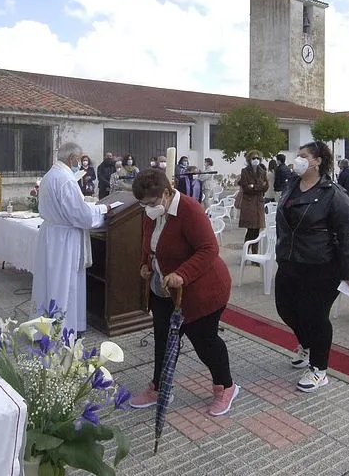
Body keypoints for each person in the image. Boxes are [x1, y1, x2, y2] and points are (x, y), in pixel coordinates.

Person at [127, 169, 238, 416]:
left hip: (202, 290)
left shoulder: (190, 209)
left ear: (167, 193)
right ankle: (160, 387)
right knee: (164, 341)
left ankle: (226, 386)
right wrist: (145, 265)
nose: (148, 208)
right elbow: (149, 243)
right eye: (144, 204)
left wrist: (182, 274)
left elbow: (209, 249)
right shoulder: (152, 212)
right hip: (165, 289)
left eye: (152, 203)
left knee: (205, 342)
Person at [274, 141, 349, 392]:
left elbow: (348, 234)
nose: (298, 159)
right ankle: (307, 344)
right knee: (285, 308)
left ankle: (319, 369)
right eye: (297, 155)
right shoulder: (292, 185)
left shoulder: (333, 193)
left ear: (318, 161)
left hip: (320, 265)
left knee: (315, 317)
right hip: (289, 260)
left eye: (303, 156)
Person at [32, 142, 111, 333]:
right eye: (80, 159)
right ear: (72, 158)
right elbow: (81, 216)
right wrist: (103, 209)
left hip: (52, 234)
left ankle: (45, 326)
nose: (81, 163)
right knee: (64, 283)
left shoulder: (51, 175)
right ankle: (62, 329)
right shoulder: (66, 179)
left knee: (49, 281)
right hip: (65, 240)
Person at [237, 150, 268, 252]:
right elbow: (245, 187)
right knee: (250, 230)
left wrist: (253, 186)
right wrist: (258, 187)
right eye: (253, 158)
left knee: (257, 230)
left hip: (259, 203)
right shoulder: (245, 171)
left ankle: (254, 253)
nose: (256, 160)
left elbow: (266, 186)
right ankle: (246, 252)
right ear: (249, 160)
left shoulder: (262, 171)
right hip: (249, 204)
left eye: (257, 158)